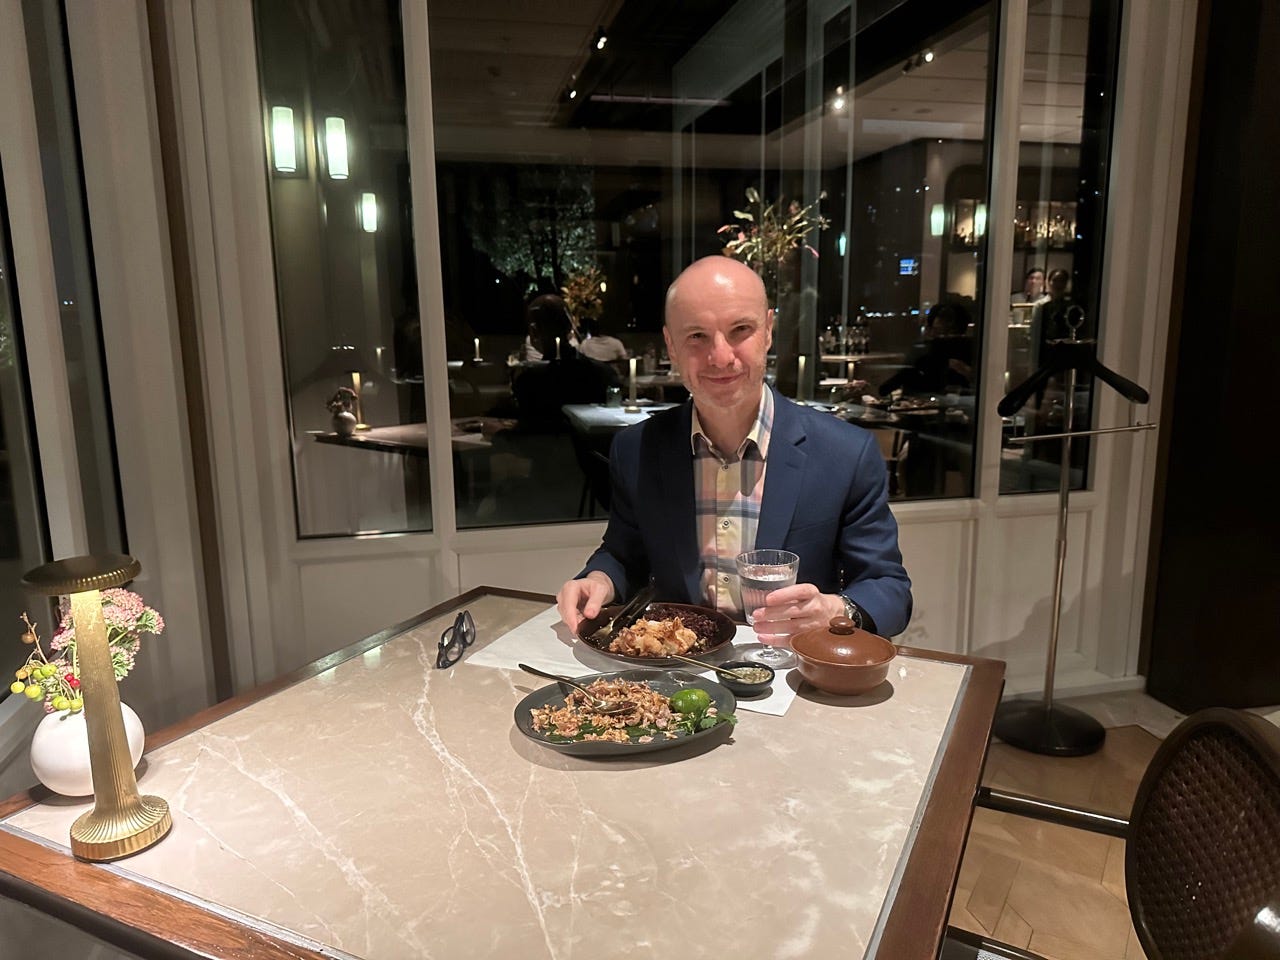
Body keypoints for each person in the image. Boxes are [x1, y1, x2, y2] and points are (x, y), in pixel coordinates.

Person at [555, 256, 912, 642]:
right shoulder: (636, 449)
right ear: (671, 345)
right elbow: (625, 554)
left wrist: (837, 610)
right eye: (697, 336)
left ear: (768, 331)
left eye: (740, 329)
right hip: (678, 676)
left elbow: (888, 588)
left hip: (794, 674)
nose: (721, 357)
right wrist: (600, 581)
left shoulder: (846, 454)